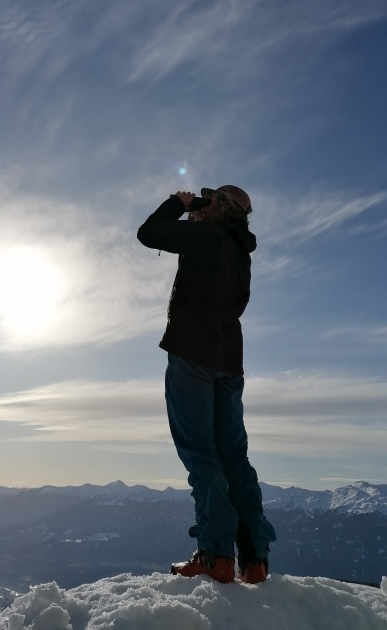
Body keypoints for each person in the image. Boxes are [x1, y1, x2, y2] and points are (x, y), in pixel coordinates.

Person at [137, 185, 276, 585]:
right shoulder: (239, 247)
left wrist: (178, 205)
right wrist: (199, 215)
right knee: (234, 457)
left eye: (208, 199)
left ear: (222, 208)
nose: (202, 202)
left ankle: (216, 556)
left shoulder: (209, 236)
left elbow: (150, 233)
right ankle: (254, 559)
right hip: (229, 362)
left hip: (193, 358)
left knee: (201, 453)